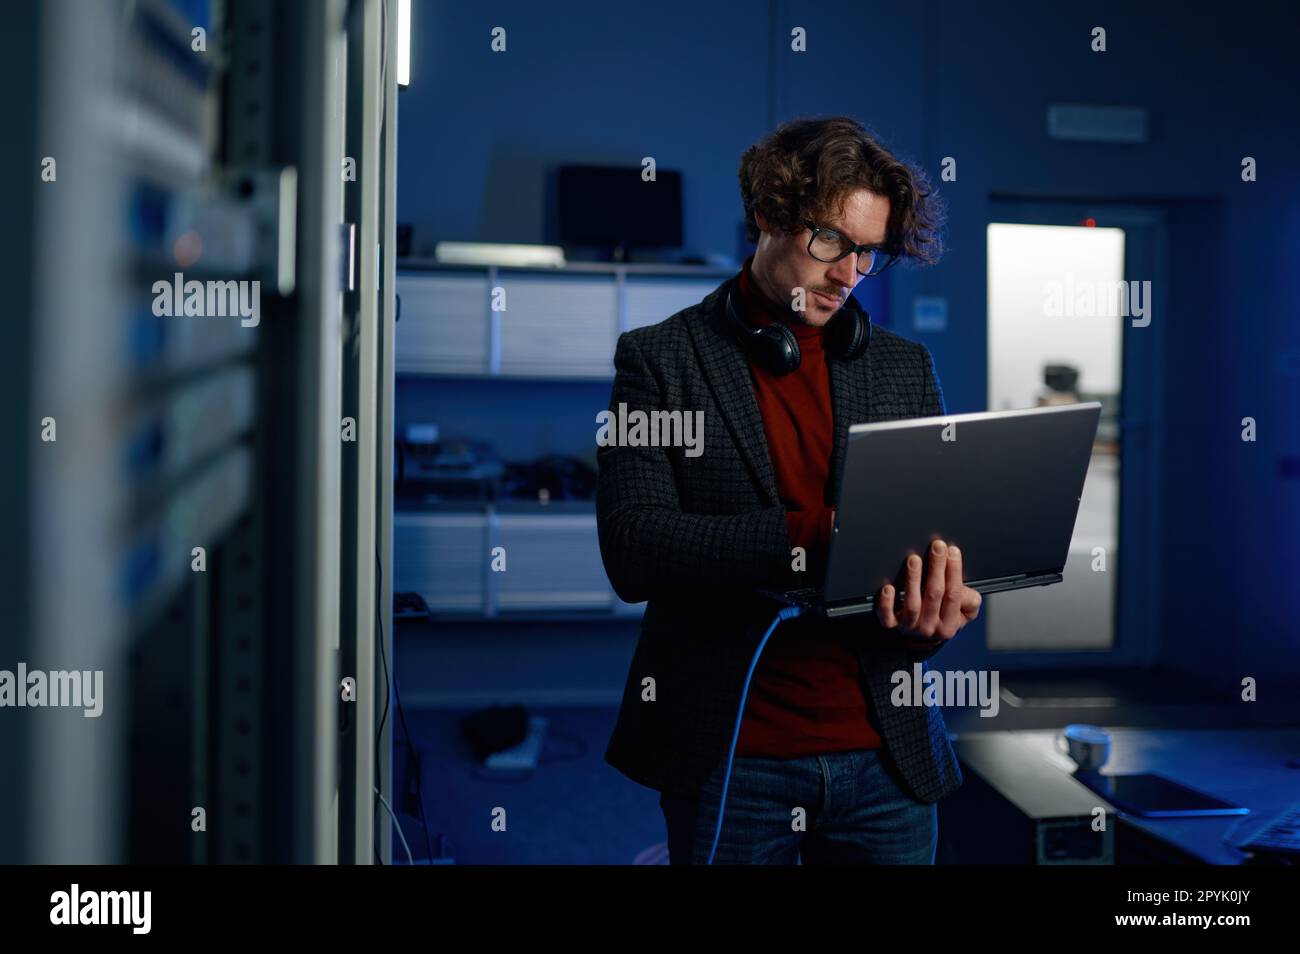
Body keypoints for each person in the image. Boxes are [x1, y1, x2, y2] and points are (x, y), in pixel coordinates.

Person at [596, 116, 982, 864]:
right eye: (831, 243)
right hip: (733, 754)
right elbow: (633, 545)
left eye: (868, 253)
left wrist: (931, 618)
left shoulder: (905, 370)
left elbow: (922, 553)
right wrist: (812, 538)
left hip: (886, 757)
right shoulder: (660, 361)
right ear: (770, 215)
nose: (849, 275)